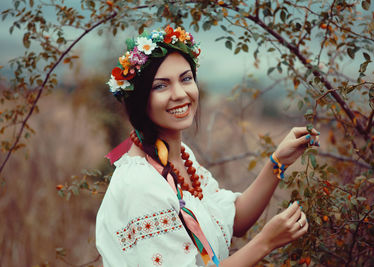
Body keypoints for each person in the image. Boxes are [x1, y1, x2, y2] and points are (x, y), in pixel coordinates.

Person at [96, 25, 320, 266]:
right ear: (140, 99)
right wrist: (265, 241)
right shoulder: (141, 184)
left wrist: (278, 162)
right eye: (161, 85)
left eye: (186, 79)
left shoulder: (181, 156)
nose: (180, 93)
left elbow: (234, 221)